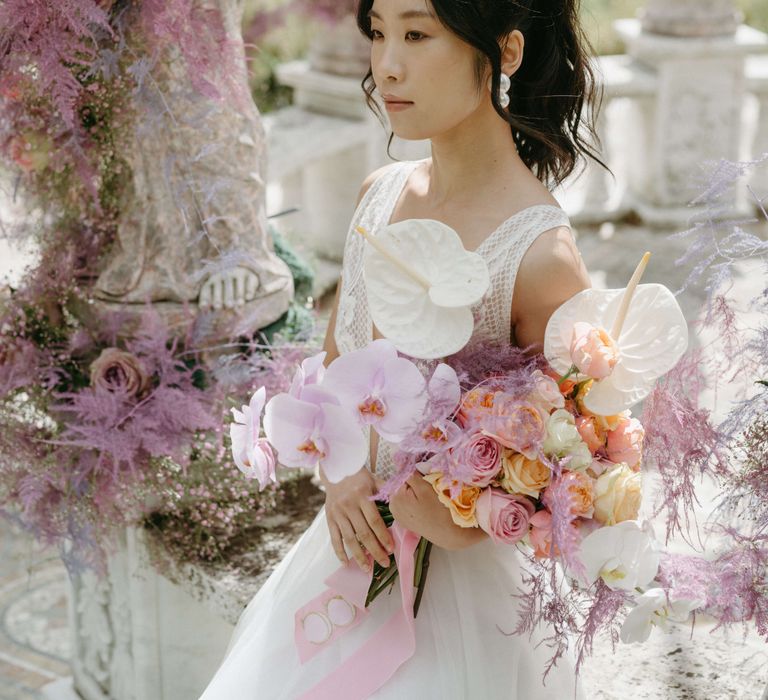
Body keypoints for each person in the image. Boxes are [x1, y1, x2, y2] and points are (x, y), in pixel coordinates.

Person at [200, 0, 603, 696]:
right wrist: (341, 475)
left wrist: (469, 528)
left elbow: (584, 458)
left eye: (417, 35)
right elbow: (334, 379)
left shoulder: (539, 257)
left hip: (468, 608)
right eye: (378, 33)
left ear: (504, 53)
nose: (387, 66)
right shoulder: (375, 201)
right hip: (347, 564)